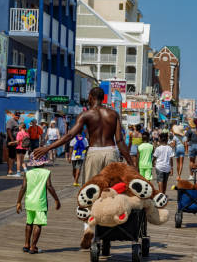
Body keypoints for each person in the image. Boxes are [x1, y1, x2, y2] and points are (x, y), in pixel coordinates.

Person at [32, 87, 133, 248]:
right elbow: (120, 140)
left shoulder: (86, 115)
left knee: (90, 192)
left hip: (94, 152)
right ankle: (109, 229)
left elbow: (69, 135)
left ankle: (89, 228)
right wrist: (130, 162)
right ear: (104, 98)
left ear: (91, 97)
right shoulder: (113, 114)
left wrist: (48, 148)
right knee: (111, 192)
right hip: (111, 151)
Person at [16, 155, 61, 254]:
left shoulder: (28, 173)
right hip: (40, 202)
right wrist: (57, 199)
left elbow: (23, 187)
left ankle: (26, 245)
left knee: (29, 222)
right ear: (43, 163)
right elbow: (49, 186)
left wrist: (19, 202)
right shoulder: (46, 173)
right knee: (38, 224)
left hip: (29, 201)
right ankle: (33, 247)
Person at [6, 111, 21, 176]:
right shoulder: (10, 121)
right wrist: (12, 139)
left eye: (19, 116)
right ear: (13, 115)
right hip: (12, 141)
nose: (18, 116)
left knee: (14, 156)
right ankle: (9, 170)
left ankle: (11, 169)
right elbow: (8, 130)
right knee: (11, 155)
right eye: (17, 115)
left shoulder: (17, 121)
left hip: (16, 141)